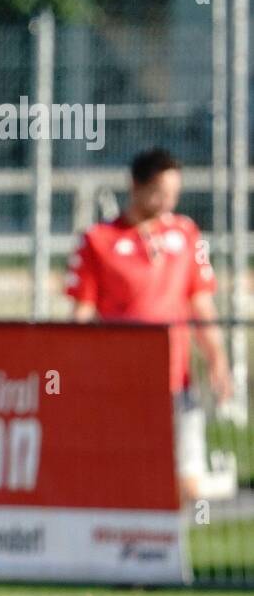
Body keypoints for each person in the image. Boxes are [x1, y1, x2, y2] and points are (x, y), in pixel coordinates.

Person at [66, 147, 230, 500]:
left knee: (188, 480)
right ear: (135, 186)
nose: (167, 201)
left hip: (175, 380)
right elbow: (81, 313)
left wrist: (217, 358)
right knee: (117, 478)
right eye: (159, 192)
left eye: (173, 193)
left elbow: (200, 303)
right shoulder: (99, 240)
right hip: (118, 384)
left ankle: (176, 548)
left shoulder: (186, 234)